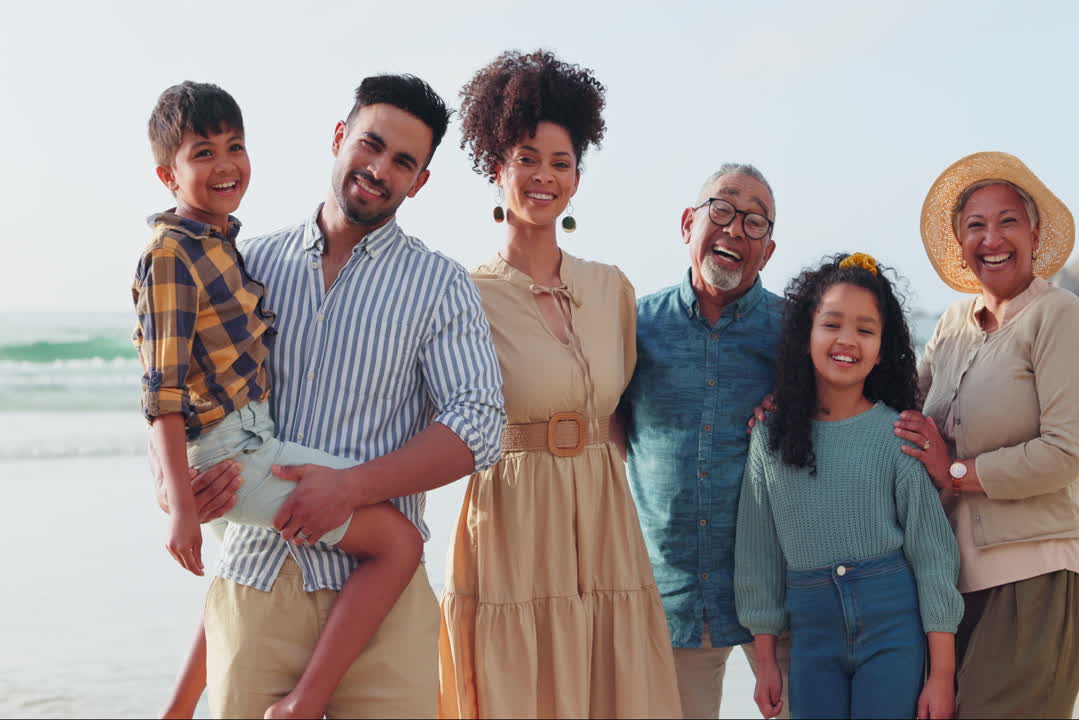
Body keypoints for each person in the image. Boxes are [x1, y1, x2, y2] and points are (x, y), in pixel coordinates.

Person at [151, 74, 506, 718]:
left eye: (404, 162)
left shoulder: (439, 285)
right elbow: (173, 383)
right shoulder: (247, 261)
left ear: (420, 181)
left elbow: (478, 424)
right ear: (340, 137)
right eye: (370, 145)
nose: (379, 169)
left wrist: (351, 488)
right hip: (256, 585)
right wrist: (174, 485)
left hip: (381, 616)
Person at [437, 49, 680, 719]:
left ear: (577, 176)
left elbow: (643, 409)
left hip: (604, 517)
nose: (544, 176)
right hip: (514, 521)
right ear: (496, 168)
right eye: (527, 158)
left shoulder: (612, 289)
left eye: (561, 162)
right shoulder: (463, 295)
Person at [894, 151, 1079, 718]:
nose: (993, 238)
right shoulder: (951, 324)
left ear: (1034, 233)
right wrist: (792, 397)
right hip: (947, 585)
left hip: (1034, 575)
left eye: (1008, 220)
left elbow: (1067, 452)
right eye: (976, 225)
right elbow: (899, 412)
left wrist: (956, 473)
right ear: (960, 242)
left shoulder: (1060, 316)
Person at [736, 253, 962, 719]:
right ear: (806, 335)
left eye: (865, 330)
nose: (847, 341)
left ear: (882, 348)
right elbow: (758, 556)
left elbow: (933, 556)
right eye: (832, 324)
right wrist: (765, 663)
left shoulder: (897, 435)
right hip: (810, 634)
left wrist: (941, 675)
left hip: (893, 629)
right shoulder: (769, 438)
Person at [620, 163, 791, 719]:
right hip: (669, 596)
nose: (736, 230)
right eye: (722, 210)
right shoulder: (633, 327)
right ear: (688, 223)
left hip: (778, 592)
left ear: (767, 251)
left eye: (755, 222)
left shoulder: (798, 334)